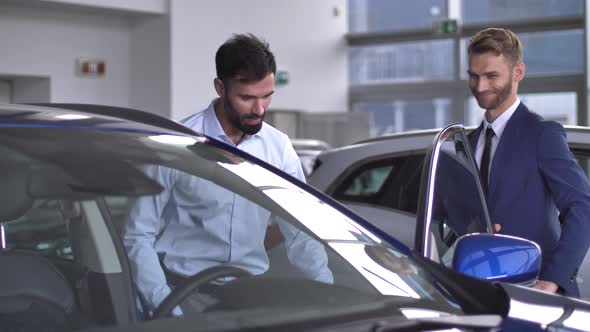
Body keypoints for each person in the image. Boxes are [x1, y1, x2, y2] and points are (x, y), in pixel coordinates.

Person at [123, 33, 333, 316]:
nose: (259, 109)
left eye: (267, 96)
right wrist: (167, 307)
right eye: (247, 98)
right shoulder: (175, 145)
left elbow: (299, 231)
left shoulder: (279, 147)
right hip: (183, 296)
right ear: (220, 87)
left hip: (251, 297)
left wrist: (327, 293)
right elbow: (137, 235)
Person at [466, 27, 590, 296]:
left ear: (518, 73)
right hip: (478, 291)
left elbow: (582, 206)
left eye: (491, 76)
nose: (480, 86)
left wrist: (553, 279)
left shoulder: (542, 134)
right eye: (473, 76)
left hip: (534, 291)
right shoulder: (467, 142)